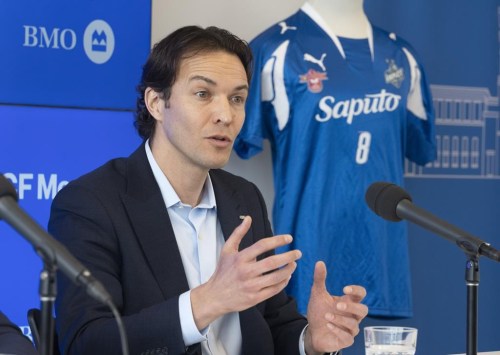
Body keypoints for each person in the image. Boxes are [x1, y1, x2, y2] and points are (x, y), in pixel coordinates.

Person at [49, 25, 368, 355]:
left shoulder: (245, 199)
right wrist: (207, 301)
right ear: (156, 102)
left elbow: (273, 324)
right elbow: (87, 343)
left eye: (237, 99)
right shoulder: (90, 203)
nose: (225, 115)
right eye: (203, 94)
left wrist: (311, 340)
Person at [234, 0, 436, 317]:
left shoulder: (401, 56)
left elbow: (421, 147)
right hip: (307, 254)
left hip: (382, 259)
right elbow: (243, 141)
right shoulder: (274, 49)